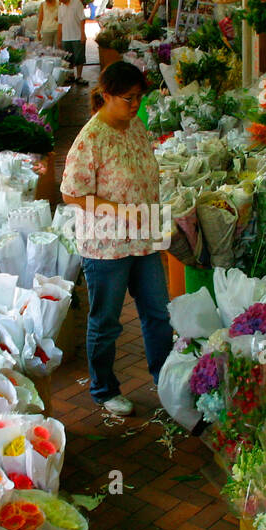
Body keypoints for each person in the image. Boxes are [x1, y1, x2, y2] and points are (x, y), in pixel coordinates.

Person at [60, 61, 172, 417]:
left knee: (157, 312)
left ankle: (166, 380)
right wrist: (117, 209)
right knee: (106, 321)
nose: (135, 104)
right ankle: (104, 389)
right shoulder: (91, 139)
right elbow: (71, 194)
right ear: (106, 96)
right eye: (128, 98)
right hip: (106, 246)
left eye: (139, 97)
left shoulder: (136, 126)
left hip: (145, 239)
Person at [56, 0, 86, 73]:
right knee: (68, 59)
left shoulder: (77, 3)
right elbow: (60, 24)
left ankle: (79, 76)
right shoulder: (61, 7)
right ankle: (71, 75)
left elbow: (82, 19)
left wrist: (82, 34)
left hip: (77, 36)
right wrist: (59, 39)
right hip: (66, 37)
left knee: (79, 58)